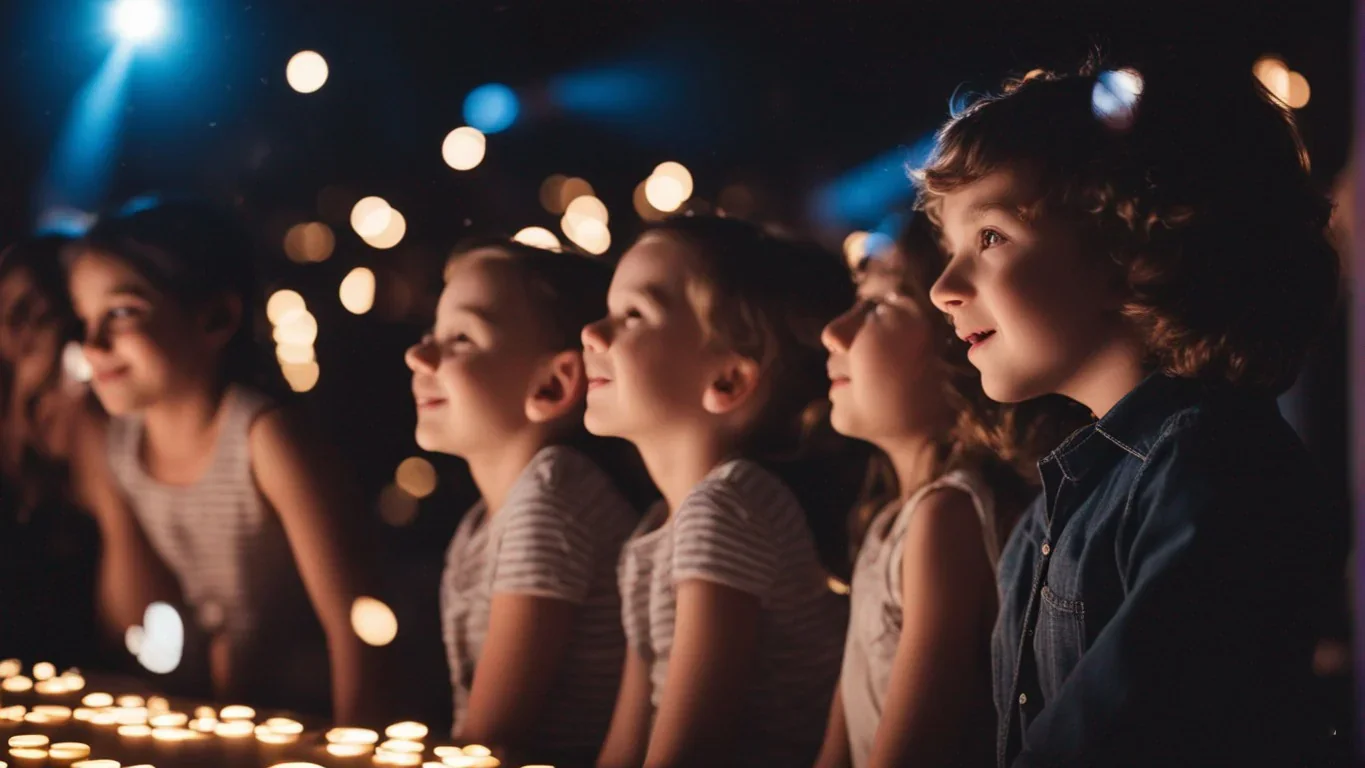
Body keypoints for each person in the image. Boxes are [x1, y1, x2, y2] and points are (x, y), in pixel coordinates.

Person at [920, 61, 1343, 766]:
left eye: (988, 237)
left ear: (1129, 244)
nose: (941, 287)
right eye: (949, 248)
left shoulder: (1213, 467)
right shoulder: (1047, 516)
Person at [66, 198, 378, 720]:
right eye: (84, 319)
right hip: (220, 711)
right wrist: (105, 492)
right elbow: (129, 629)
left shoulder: (263, 438)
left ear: (216, 318)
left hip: (308, 714)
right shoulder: (122, 447)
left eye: (121, 312)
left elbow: (356, 624)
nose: (92, 344)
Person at [814, 216, 1084, 768]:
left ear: (958, 345)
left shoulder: (946, 518)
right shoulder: (892, 521)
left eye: (881, 306)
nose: (834, 332)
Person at [586, 216, 852, 767]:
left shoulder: (728, 507)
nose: (593, 333)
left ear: (727, 380)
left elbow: (690, 752)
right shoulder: (659, 528)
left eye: (632, 316)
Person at [405, 239, 644, 767]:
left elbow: (491, 738)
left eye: (461, 338)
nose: (418, 355)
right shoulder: (482, 522)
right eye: (431, 335)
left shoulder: (553, 495)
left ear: (553, 384)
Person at [0, 235, 101, 666]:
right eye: (8, 308)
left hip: (86, 661)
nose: (19, 326)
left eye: (38, 309)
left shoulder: (96, 418)